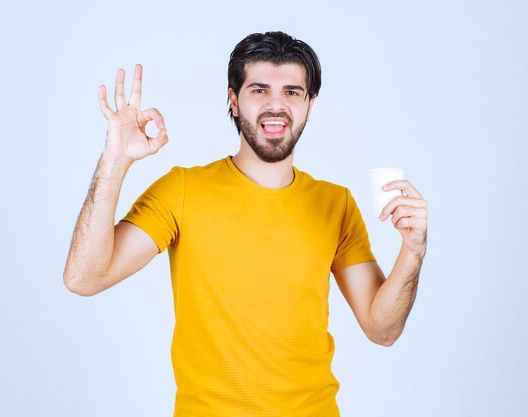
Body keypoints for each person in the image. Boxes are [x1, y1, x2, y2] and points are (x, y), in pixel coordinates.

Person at [63, 31, 428, 417]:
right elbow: (84, 278)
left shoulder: (335, 204)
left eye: (291, 92)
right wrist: (115, 160)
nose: (276, 105)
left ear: (309, 104)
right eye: (259, 90)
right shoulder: (182, 191)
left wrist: (413, 251)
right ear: (233, 100)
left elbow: (382, 329)